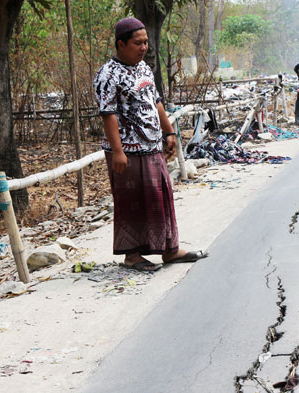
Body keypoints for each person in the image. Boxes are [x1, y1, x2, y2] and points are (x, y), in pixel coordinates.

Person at [93, 17, 207, 272]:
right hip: (127, 153)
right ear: (121, 44)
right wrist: (119, 151)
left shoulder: (144, 68)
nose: (144, 47)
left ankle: (170, 249)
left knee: (161, 196)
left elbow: (155, 102)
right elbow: (108, 114)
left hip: (151, 146)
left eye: (145, 42)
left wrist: (169, 132)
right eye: (137, 43)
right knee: (131, 201)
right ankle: (132, 256)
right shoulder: (107, 75)